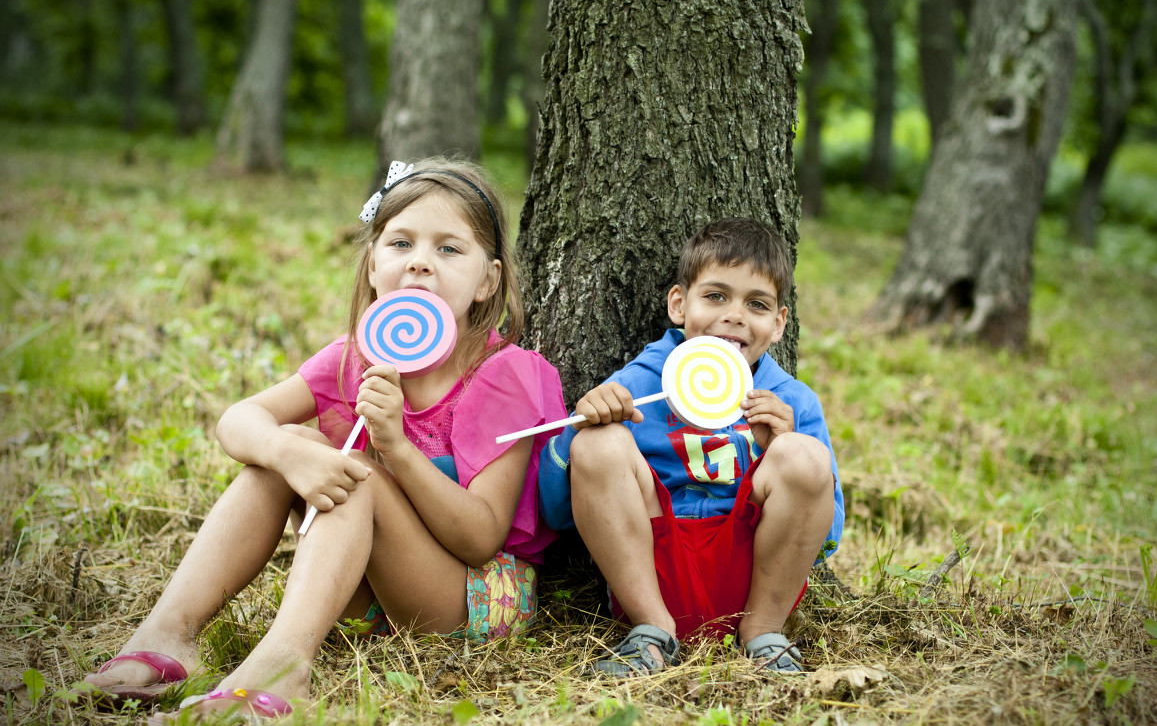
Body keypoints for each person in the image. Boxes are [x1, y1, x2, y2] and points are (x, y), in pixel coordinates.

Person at [82, 158, 566, 719]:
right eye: (401, 243)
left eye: (449, 249)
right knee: (282, 444)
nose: (420, 265)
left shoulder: (503, 375)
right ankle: (171, 633)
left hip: (469, 599)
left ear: (488, 281)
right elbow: (238, 419)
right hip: (362, 594)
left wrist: (397, 449)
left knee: (355, 475)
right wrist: (286, 451)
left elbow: (481, 537)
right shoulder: (356, 357)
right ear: (372, 265)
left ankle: (284, 669)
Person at [538, 217, 844, 677]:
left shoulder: (792, 402)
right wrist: (577, 430)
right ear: (679, 305)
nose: (735, 315)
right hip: (653, 567)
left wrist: (782, 442)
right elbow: (555, 510)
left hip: (752, 572)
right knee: (601, 443)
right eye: (716, 296)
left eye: (757, 304)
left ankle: (763, 636)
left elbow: (827, 536)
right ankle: (650, 632)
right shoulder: (638, 385)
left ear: (779, 324)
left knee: (805, 456)